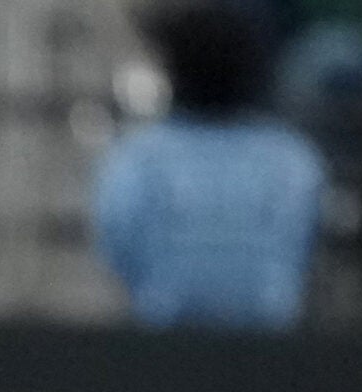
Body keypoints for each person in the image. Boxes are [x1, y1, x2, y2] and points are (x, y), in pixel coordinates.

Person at [94, 1, 328, 329]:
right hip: (240, 338)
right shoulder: (291, 158)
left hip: (201, 340)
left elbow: (118, 240)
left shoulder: (139, 156)